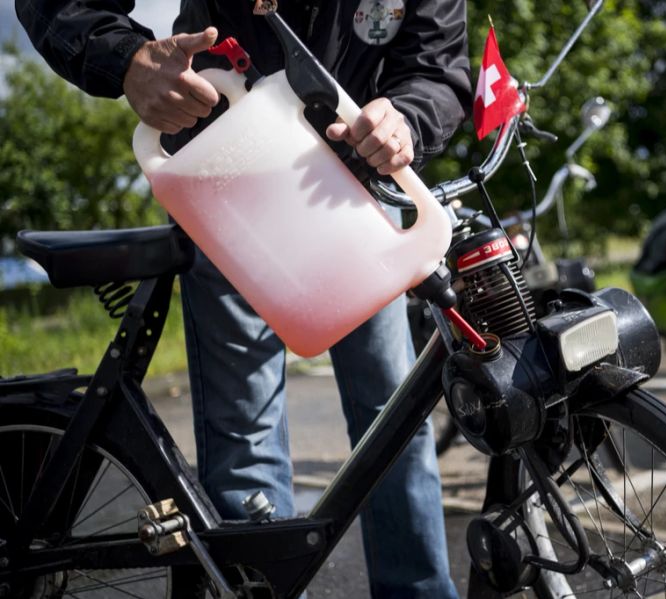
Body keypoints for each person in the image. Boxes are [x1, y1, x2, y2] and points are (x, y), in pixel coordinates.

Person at [16, 1, 471, 597]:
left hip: (358, 202)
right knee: (244, 439)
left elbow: (437, 66)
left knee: (392, 425)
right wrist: (127, 59)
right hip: (232, 189)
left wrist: (406, 119)